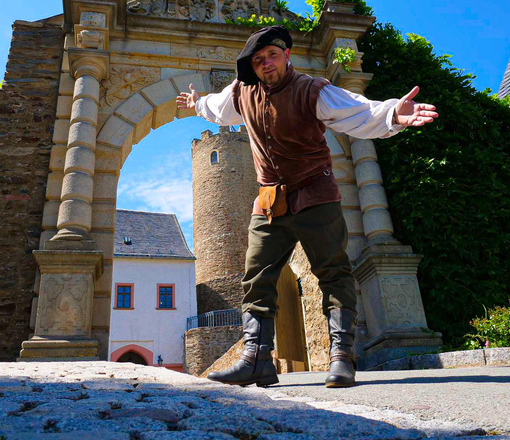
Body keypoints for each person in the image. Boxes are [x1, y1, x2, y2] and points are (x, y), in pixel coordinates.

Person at [176, 26, 437, 388]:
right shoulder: (242, 93)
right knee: (256, 276)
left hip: (316, 194)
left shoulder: (313, 90)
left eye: (271, 55)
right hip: (269, 201)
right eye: (258, 60)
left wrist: (393, 114)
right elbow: (216, 107)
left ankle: (342, 357)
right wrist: (196, 104)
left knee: (332, 272)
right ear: (252, 67)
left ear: (286, 56)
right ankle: (256, 360)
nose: (266, 63)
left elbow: (359, 112)